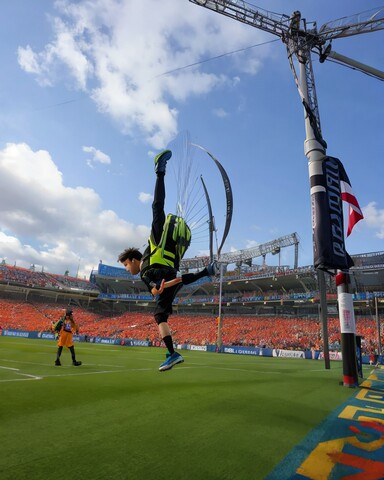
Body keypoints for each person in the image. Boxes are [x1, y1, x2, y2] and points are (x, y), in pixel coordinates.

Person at [118, 150, 217, 371]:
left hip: (162, 259)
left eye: (126, 264)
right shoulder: (148, 270)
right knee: (175, 288)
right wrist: (164, 286)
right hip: (170, 270)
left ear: (134, 259)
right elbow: (173, 282)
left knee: (160, 315)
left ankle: (159, 171)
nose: (127, 269)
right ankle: (207, 271)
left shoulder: (144, 267)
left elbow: (154, 289)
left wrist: (157, 289)